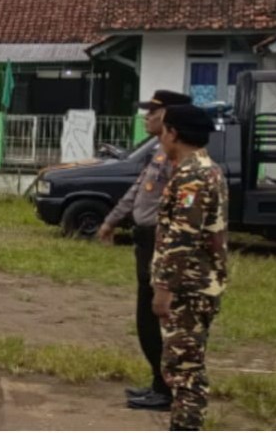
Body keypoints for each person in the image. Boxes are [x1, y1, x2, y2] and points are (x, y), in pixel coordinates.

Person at [98, 90, 193, 411]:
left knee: (157, 318)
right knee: (145, 319)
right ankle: (158, 383)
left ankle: (166, 390)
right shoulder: (158, 152)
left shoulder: (181, 159)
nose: (146, 117)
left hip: (161, 243)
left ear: (167, 116)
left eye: (152, 112)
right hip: (145, 240)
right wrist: (111, 221)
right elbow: (137, 191)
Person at [151, 104, 227, 431]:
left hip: (188, 289)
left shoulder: (193, 176)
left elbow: (183, 235)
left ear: (174, 133)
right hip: (199, 284)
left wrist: (163, 290)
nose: (160, 136)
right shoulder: (207, 168)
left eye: (164, 129)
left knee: (184, 372)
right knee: (185, 368)